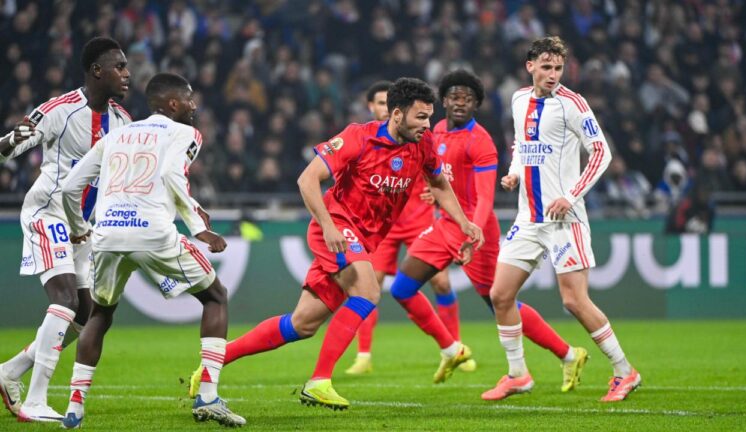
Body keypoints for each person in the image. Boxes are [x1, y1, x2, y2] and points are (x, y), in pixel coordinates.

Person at [188, 77, 483, 410]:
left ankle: (212, 365)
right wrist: (328, 226)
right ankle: (319, 382)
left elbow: (440, 184)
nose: (427, 125)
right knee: (368, 291)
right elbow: (307, 178)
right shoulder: (359, 136)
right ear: (397, 114)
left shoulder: (423, 143)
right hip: (338, 229)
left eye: (429, 117)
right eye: (420, 117)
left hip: (363, 239)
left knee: (302, 324)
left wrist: (464, 222)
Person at [59, 72, 245, 427]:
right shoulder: (186, 132)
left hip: (108, 233)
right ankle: (207, 396)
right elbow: (174, 175)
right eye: (189, 99)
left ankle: (75, 406)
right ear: (173, 104)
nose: (194, 106)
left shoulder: (116, 135)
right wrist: (200, 229)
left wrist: (80, 229)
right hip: (152, 233)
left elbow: (70, 187)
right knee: (216, 297)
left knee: (100, 314)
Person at [391, 69, 589, 388]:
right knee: (402, 288)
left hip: (476, 229)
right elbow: (440, 176)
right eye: (454, 97)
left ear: (476, 105)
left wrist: (474, 232)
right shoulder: (436, 130)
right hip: (445, 225)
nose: (460, 103)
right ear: (443, 100)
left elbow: (485, 198)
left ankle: (568, 354)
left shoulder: (480, 141)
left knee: (500, 302)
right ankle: (453, 348)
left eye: (468, 99)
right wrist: (433, 192)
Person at [481, 36, 641, 402]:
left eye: (558, 68)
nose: (553, 75)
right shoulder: (519, 99)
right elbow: (522, 144)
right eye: (547, 67)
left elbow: (601, 153)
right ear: (530, 66)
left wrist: (570, 195)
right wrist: (514, 172)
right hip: (529, 217)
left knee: (573, 301)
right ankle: (518, 374)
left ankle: (624, 371)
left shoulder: (573, 104)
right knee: (500, 294)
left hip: (564, 219)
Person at [0, 37, 132, 422]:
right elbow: (8, 147)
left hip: (83, 227)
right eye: (119, 67)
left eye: (126, 67)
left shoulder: (122, 121)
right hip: (48, 214)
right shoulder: (60, 110)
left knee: (88, 311)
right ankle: (36, 400)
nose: (127, 74)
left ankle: (10, 372)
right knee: (65, 299)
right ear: (96, 71)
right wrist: (14, 140)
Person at [345, 80, 457, 376]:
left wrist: (435, 194)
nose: (384, 108)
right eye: (379, 103)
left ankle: (455, 346)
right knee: (370, 287)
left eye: (387, 102)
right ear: (374, 107)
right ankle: (363, 355)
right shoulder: (366, 139)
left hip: (419, 219)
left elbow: (439, 177)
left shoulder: (419, 137)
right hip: (382, 226)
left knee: (442, 283)